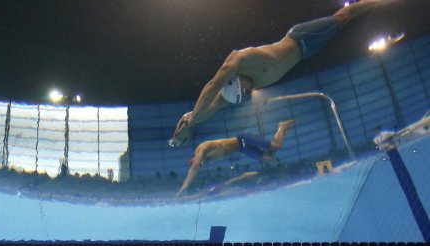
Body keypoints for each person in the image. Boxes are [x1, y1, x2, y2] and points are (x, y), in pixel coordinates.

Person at [169, 0, 396, 147]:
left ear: (236, 81)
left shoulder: (238, 60)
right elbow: (215, 105)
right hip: (304, 56)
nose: (249, 93)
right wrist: (193, 121)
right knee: (343, 24)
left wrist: (193, 118)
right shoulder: (242, 87)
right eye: (246, 94)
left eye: (245, 90)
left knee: (343, 17)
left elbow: (211, 86)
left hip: (300, 38)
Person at [176, 120, 296, 197]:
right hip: (242, 148)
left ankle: (281, 127)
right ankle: (280, 134)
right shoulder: (208, 159)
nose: (202, 164)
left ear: (196, 158)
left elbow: (194, 168)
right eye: (202, 165)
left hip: (243, 140)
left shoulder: (201, 149)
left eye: (200, 163)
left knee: (277, 146)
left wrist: (184, 186)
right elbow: (196, 167)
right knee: (269, 157)